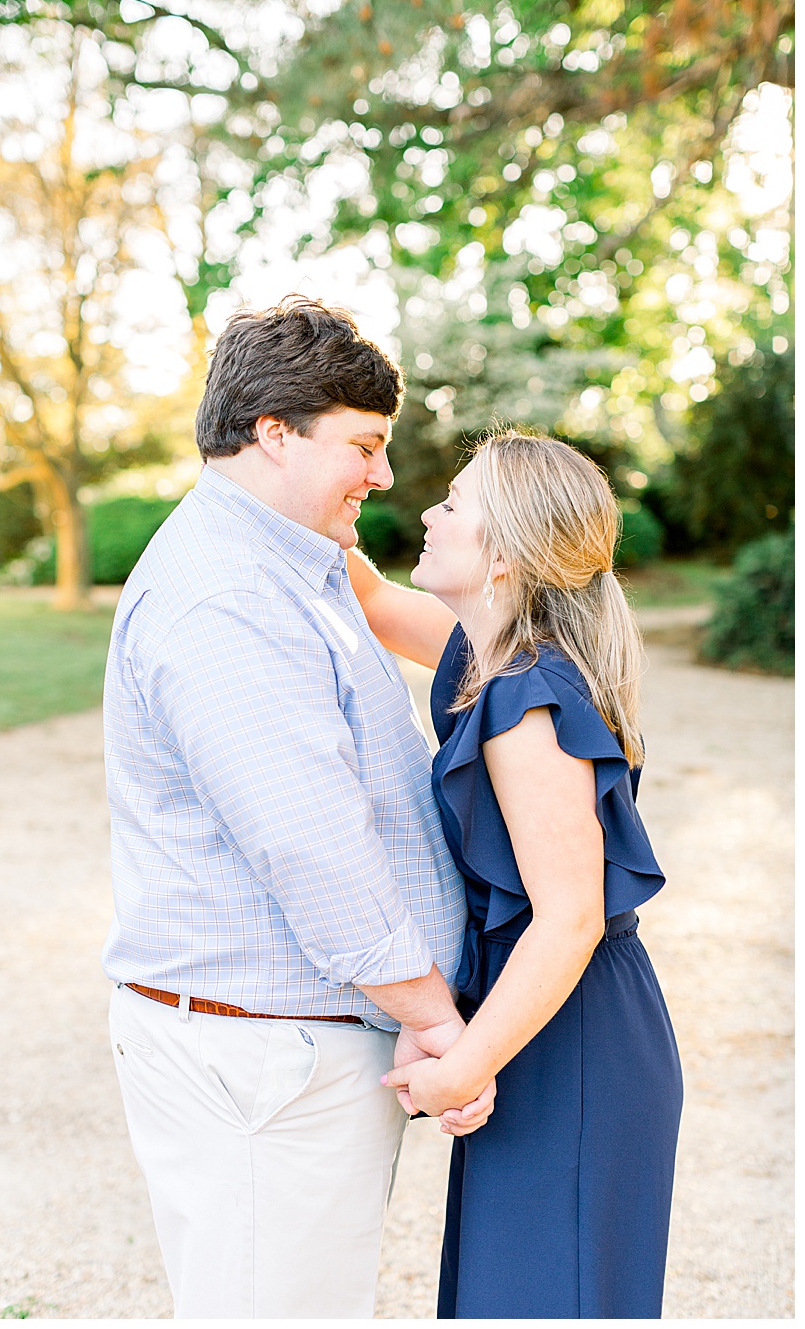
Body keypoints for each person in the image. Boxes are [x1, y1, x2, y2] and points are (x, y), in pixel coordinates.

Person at [101, 296, 494, 1319]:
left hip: (293, 1050)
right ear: (273, 432)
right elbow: (314, 849)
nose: (383, 475)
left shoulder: (286, 562)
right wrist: (437, 1020)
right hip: (264, 1062)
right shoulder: (227, 597)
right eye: (363, 446)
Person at [349, 430, 683, 1317]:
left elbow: (571, 918)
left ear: (503, 558)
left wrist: (463, 1067)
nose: (426, 512)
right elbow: (370, 600)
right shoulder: (489, 656)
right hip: (533, 1017)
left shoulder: (528, 700)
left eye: (453, 502)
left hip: (576, 1038)